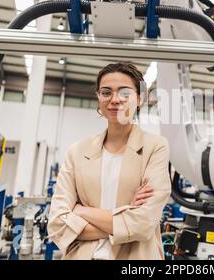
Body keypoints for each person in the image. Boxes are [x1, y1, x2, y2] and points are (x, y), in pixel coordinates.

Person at [48, 62, 171, 260]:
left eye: (125, 93)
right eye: (106, 93)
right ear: (99, 98)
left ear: (139, 98)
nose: (115, 100)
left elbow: (143, 224)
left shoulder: (155, 147)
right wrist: (124, 216)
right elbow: (57, 224)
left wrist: (82, 211)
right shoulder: (77, 152)